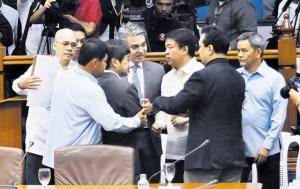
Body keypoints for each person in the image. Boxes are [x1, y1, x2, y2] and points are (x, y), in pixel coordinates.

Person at [143, 25, 246, 183]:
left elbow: (176, 104)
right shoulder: (238, 77)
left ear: (210, 48)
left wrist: (155, 102)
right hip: (233, 155)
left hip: (205, 157)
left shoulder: (202, 76)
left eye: (201, 46)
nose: (198, 50)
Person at [42, 38, 146, 169]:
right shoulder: (90, 88)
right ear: (95, 62)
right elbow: (111, 123)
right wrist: (136, 120)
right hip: (80, 159)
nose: (105, 65)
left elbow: (48, 105)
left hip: (58, 155)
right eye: (104, 61)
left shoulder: (62, 76)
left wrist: (68, 123)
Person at [12, 28, 77, 185]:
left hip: (67, 142)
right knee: (37, 185)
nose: (69, 48)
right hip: (39, 141)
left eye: (73, 45)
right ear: (55, 45)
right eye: (65, 44)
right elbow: (16, 86)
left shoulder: (78, 70)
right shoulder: (42, 64)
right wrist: (22, 83)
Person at [151, 28, 204, 183]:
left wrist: (187, 119)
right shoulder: (167, 77)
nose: (166, 52)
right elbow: (163, 108)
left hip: (196, 147)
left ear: (184, 49)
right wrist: (159, 122)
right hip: (173, 147)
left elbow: (209, 110)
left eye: (170, 47)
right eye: (165, 47)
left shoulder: (201, 73)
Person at [236, 32, 288, 189]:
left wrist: (267, 145)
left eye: (244, 50)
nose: (239, 55)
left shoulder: (274, 78)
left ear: (258, 52)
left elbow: (279, 115)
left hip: (267, 147)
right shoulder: (236, 76)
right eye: (238, 50)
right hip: (239, 148)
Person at [118, 22, 165, 183]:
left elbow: (161, 103)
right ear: (124, 48)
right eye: (135, 47)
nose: (141, 50)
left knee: (153, 182)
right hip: (122, 137)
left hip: (150, 138)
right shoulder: (115, 72)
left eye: (144, 45)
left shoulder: (157, 70)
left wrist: (159, 121)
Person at [98, 39, 144, 182]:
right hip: (125, 157)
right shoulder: (126, 87)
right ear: (114, 62)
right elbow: (140, 120)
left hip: (96, 157)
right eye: (127, 59)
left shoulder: (91, 84)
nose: (129, 64)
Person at [30, 0, 102, 38]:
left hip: (85, 48)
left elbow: (89, 30)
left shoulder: (92, 2)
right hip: (66, 45)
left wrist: (71, 18)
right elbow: (32, 20)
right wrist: (45, 8)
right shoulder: (61, 2)